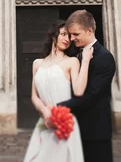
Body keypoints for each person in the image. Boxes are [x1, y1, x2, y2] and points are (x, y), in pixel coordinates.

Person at [23, 20, 93, 162]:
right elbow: (34, 96)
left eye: (68, 36)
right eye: (63, 34)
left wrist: (85, 61)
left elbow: (78, 91)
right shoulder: (37, 63)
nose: (67, 39)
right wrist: (45, 112)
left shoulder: (72, 61)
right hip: (45, 122)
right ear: (54, 36)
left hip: (65, 124)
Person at [58, 10, 116, 162]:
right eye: (70, 34)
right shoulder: (76, 53)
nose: (71, 38)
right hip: (75, 130)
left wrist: (60, 107)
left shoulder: (104, 57)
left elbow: (91, 96)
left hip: (95, 132)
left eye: (76, 34)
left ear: (89, 31)